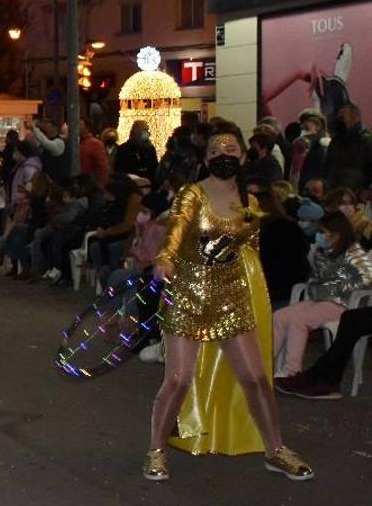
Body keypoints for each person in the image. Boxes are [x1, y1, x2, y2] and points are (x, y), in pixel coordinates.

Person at [144, 122, 313, 482]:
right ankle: (156, 451)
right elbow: (175, 231)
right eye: (215, 153)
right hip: (187, 295)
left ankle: (275, 449)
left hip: (231, 297)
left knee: (255, 378)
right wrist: (165, 258)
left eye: (230, 151)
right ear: (206, 159)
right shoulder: (192, 194)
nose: (223, 157)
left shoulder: (250, 203)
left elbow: (249, 253)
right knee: (178, 378)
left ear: (243, 155)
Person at [272, 211, 372, 378]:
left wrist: (333, 288)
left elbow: (368, 278)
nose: (318, 235)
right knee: (279, 316)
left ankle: (291, 371)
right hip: (320, 300)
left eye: (322, 232)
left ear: (336, 235)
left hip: (345, 304)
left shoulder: (354, 252)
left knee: (299, 321)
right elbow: (315, 278)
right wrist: (314, 288)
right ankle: (265, 366)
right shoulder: (322, 252)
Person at [323, 102, 372, 192]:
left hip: (355, 191)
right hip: (333, 190)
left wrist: (364, 189)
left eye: (342, 117)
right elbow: (328, 164)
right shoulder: (336, 140)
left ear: (355, 117)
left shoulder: (366, 140)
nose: (339, 120)